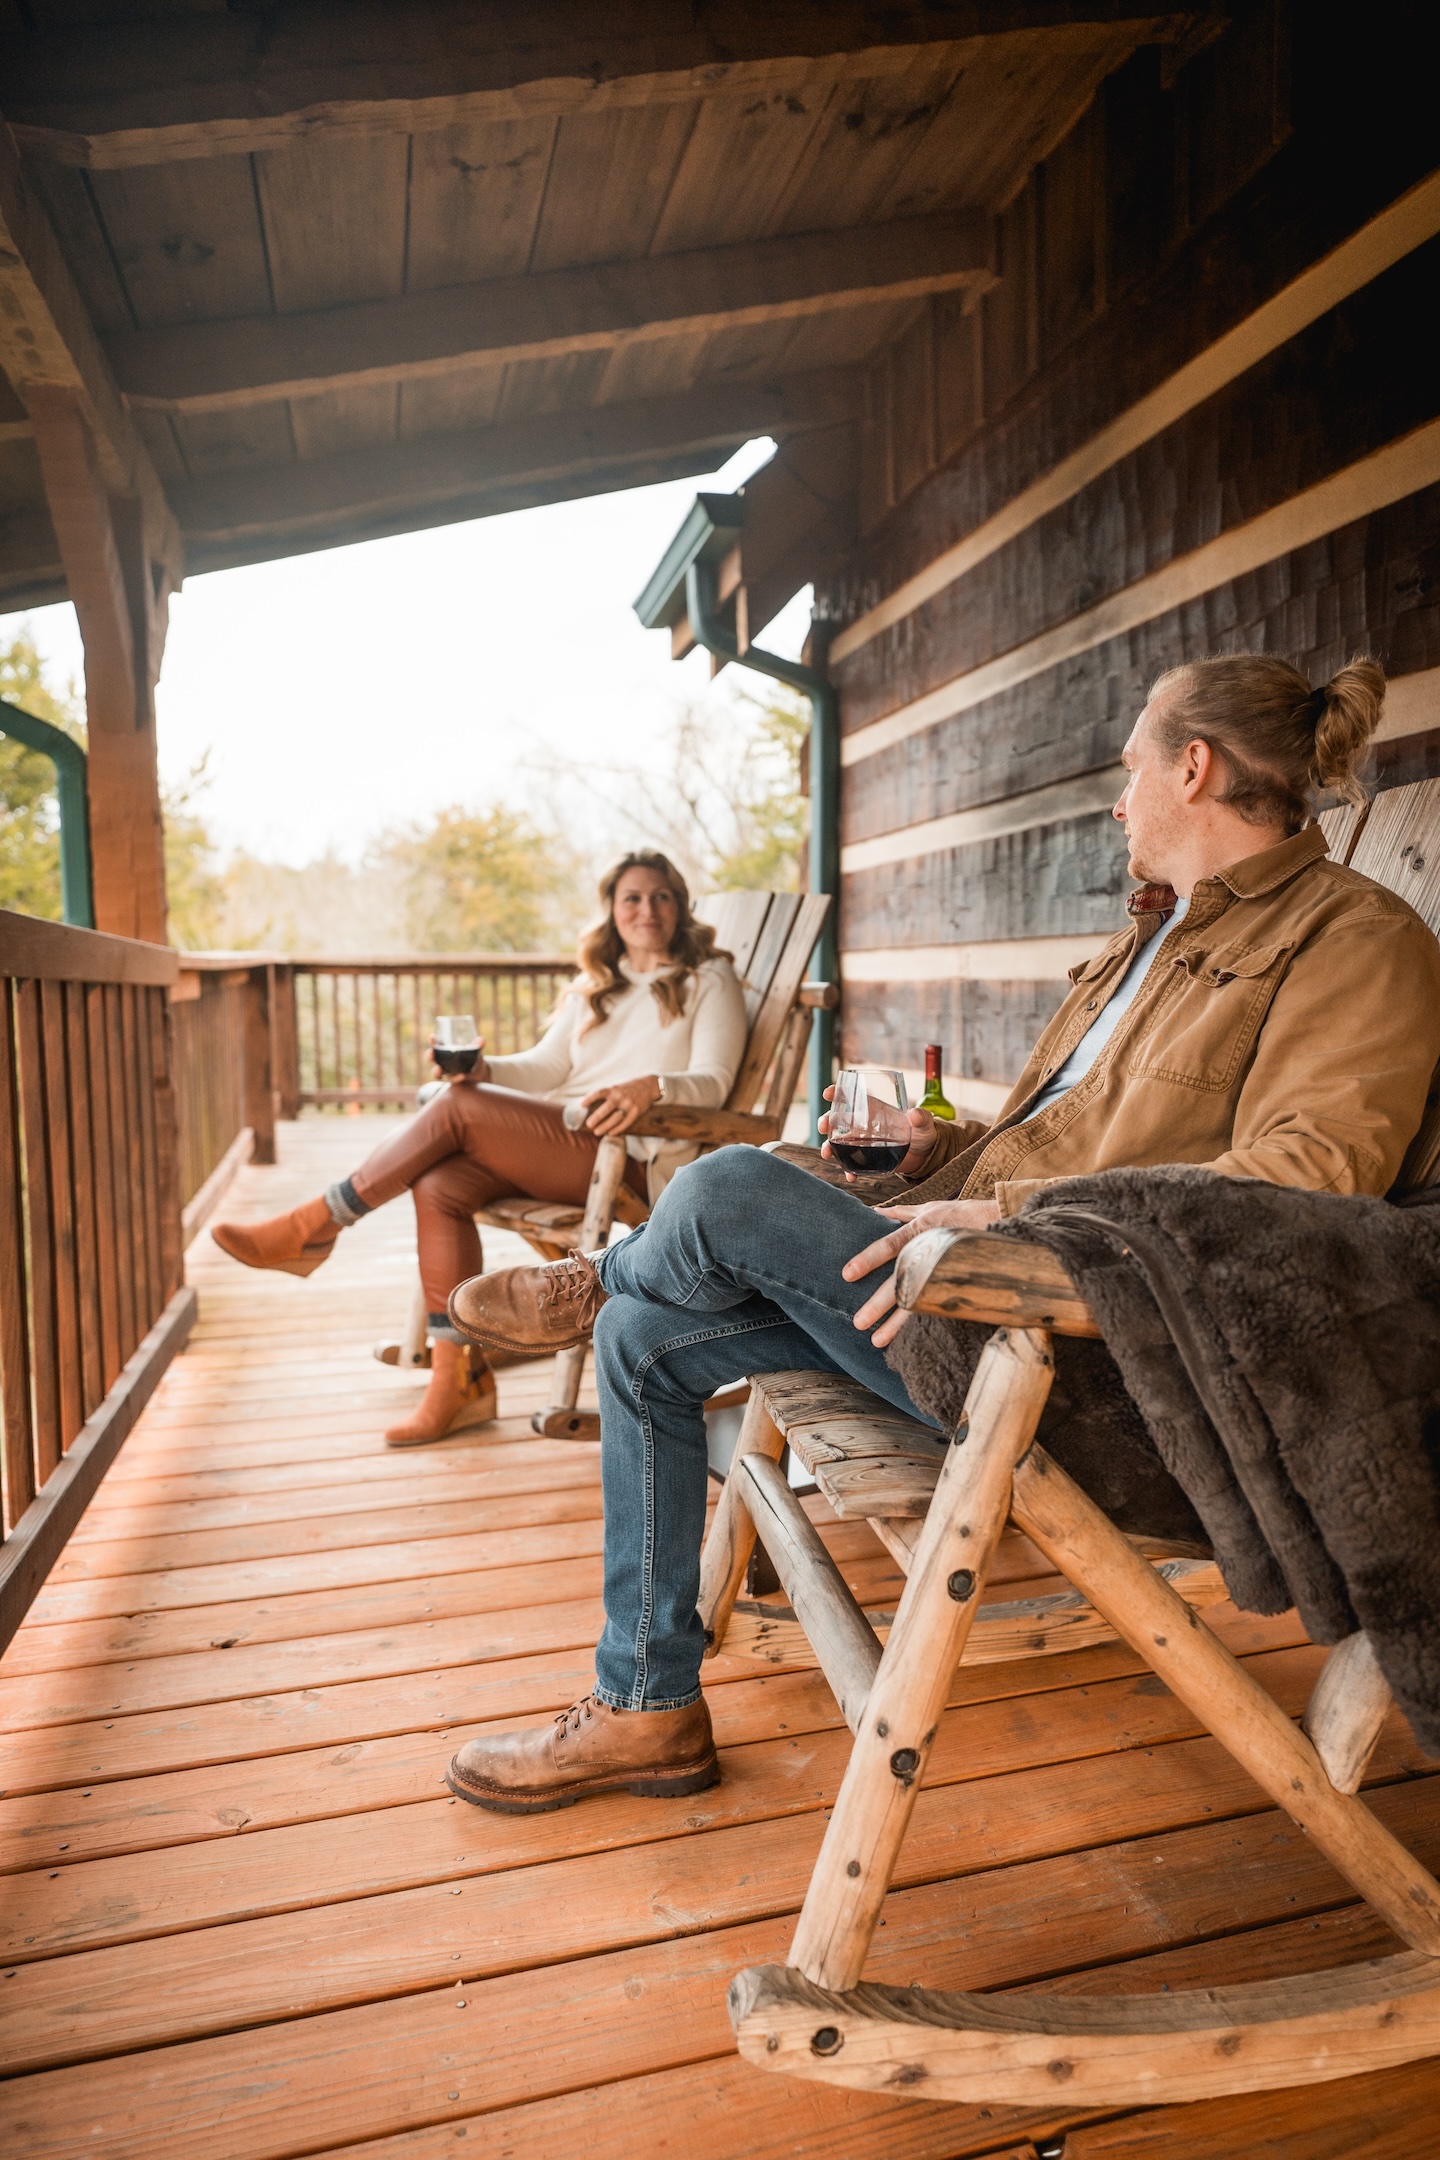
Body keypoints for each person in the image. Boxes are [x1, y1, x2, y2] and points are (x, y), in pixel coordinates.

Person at [436, 654, 1440, 1813]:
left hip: (1095, 1355)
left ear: (1195, 767)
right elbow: (1071, 1135)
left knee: (720, 1191)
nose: (1121, 801)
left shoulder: (1359, 942)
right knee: (649, 1339)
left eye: (1131, 770)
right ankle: (646, 1709)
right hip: (973, 1286)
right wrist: (940, 1158)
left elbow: (1310, 1182)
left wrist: (1002, 1213)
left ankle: (600, 1275)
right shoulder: (1150, 943)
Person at [211, 850, 747, 1445]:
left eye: (661, 897)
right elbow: (546, 1068)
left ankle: (315, 1224)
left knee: (459, 1107)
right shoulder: (598, 987)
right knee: (439, 1182)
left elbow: (715, 1082)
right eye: (632, 898)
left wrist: (654, 1086)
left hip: (633, 1159)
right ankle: (457, 1381)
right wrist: (486, 1067)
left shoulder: (709, 980)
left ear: (680, 906)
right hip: (565, 1143)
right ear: (613, 912)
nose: (647, 909)